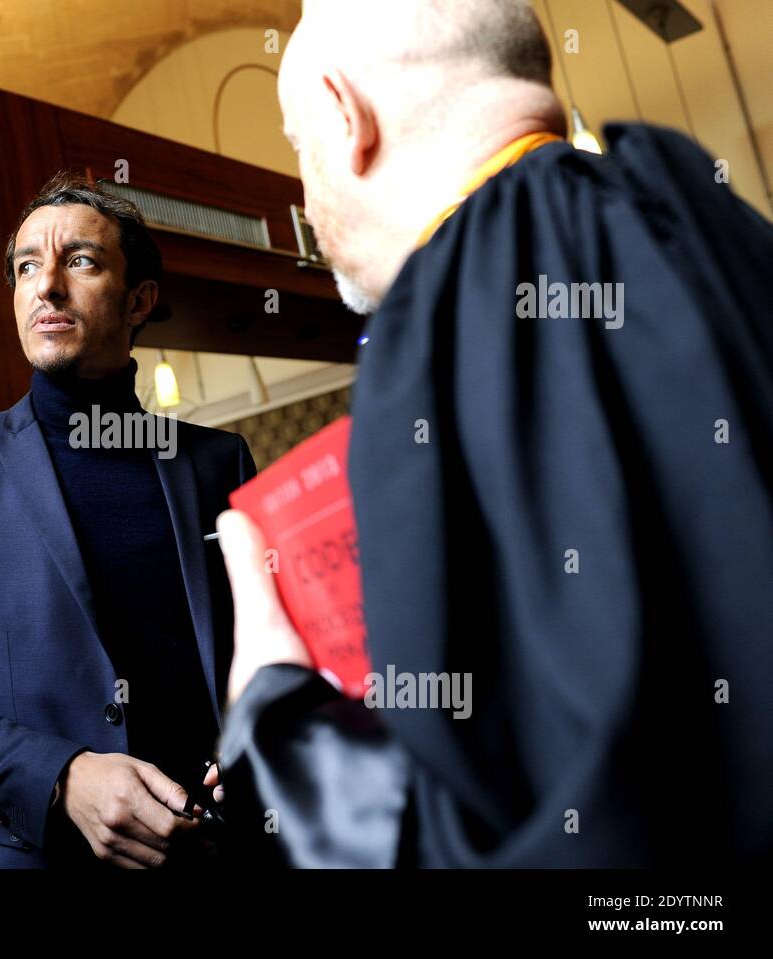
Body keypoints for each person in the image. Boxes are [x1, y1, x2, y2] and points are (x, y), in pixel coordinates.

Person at [215, 0, 773, 867]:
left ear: (342, 113)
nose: (304, 195)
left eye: (297, 146)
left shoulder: (452, 312)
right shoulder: (716, 227)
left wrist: (276, 721)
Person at [0, 173, 251, 868]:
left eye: (79, 260)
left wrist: (256, 741)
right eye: (26, 266)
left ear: (140, 300)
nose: (46, 285)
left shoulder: (219, 462)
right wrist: (62, 774)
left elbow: (267, 656)